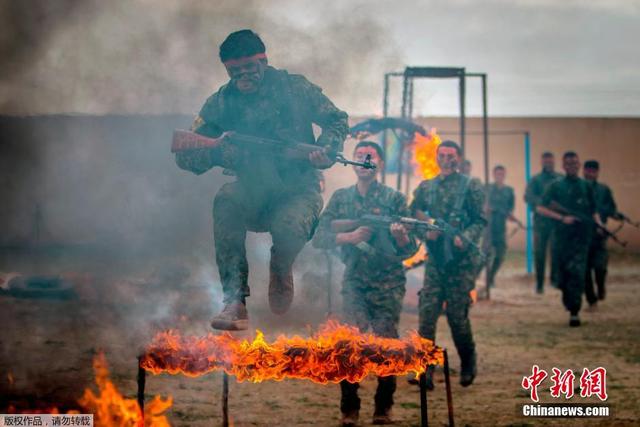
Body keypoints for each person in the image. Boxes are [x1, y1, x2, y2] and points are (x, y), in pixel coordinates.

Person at [175, 30, 348, 330]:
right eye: (235, 70)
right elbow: (185, 155)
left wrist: (328, 149)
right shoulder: (220, 102)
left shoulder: (294, 88)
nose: (243, 75)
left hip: (298, 190)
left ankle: (281, 270)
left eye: (250, 68)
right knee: (226, 199)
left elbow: (337, 119)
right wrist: (220, 153)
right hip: (251, 191)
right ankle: (234, 301)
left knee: (289, 227)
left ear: (264, 60)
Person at [313, 141, 417, 426]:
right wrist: (349, 236)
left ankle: (383, 409)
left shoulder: (394, 199)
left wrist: (401, 237)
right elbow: (318, 236)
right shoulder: (341, 198)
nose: (365, 161)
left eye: (370, 157)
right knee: (348, 345)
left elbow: (410, 250)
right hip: (355, 282)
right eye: (359, 157)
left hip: (388, 285)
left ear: (380, 164)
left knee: (386, 345)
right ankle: (349, 409)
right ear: (353, 164)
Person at [410, 140, 486, 388]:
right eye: (441, 155)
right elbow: (414, 215)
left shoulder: (471, 186)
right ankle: (426, 370)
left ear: (459, 158)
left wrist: (464, 238)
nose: (445, 159)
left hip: (461, 263)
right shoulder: (426, 187)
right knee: (427, 316)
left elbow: (480, 220)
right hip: (436, 262)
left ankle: (467, 362)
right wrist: (426, 232)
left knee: (457, 317)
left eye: (450, 155)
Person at [537, 152, 600, 327]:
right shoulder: (555, 186)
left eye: (575, 163)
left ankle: (574, 312)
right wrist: (561, 218)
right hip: (561, 238)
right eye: (569, 164)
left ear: (579, 165)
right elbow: (541, 208)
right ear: (563, 166)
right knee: (561, 275)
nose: (572, 166)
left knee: (577, 273)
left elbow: (594, 210)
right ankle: (569, 300)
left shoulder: (586, 187)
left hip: (581, 238)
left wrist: (599, 225)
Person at [583, 160, 618, 307]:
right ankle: (591, 300)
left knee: (600, 267)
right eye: (588, 171)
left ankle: (601, 287)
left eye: (593, 171)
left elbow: (612, 209)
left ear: (597, 172)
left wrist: (616, 215)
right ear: (583, 171)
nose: (590, 174)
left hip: (599, 235)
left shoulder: (604, 190)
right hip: (582, 235)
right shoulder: (578, 189)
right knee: (584, 270)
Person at [524, 152, 561, 293]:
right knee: (540, 253)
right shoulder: (535, 180)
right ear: (542, 162)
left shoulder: (560, 179)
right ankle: (539, 284)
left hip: (557, 222)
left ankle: (555, 280)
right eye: (546, 162)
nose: (548, 164)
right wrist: (543, 204)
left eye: (550, 162)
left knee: (556, 252)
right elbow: (528, 196)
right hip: (540, 222)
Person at [484, 165, 522, 288]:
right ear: (494, 175)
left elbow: (510, 209)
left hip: (500, 227)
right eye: (497, 174)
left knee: (500, 255)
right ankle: (475, 278)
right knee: (484, 255)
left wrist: (515, 219)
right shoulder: (488, 189)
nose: (500, 176)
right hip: (488, 227)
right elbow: (482, 205)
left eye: (502, 174)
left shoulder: (509, 191)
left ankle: (490, 278)